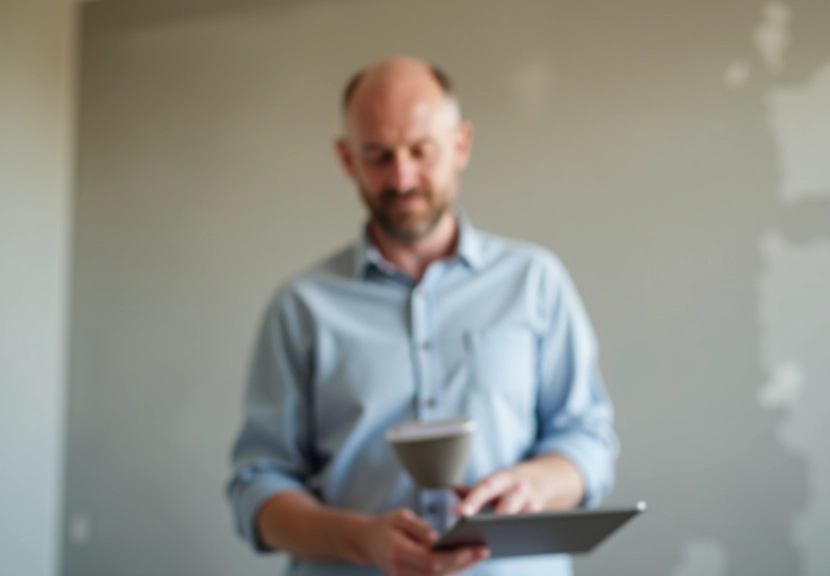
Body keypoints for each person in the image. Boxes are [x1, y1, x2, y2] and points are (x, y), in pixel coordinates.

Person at [226, 56, 618, 576]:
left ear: (461, 145)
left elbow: (588, 441)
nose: (402, 177)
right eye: (378, 155)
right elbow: (257, 485)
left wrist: (534, 486)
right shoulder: (301, 306)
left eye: (421, 151)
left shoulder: (535, 282)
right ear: (347, 158)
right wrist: (360, 540)